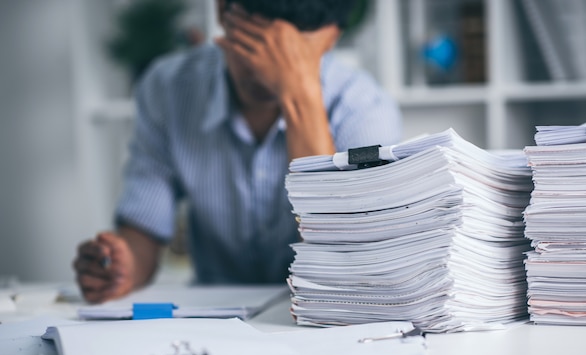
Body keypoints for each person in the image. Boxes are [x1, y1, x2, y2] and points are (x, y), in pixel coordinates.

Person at [73, 0, 402, 303]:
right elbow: (144, 229)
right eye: (255, 43)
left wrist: (300, 96)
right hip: (214, 320)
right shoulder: (168, 88)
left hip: (320, 316)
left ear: (328, 39)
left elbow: (350, 266)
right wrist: (120, 266)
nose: (265, 70)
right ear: (221, 12)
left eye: (286, 49)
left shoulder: (365, 107)